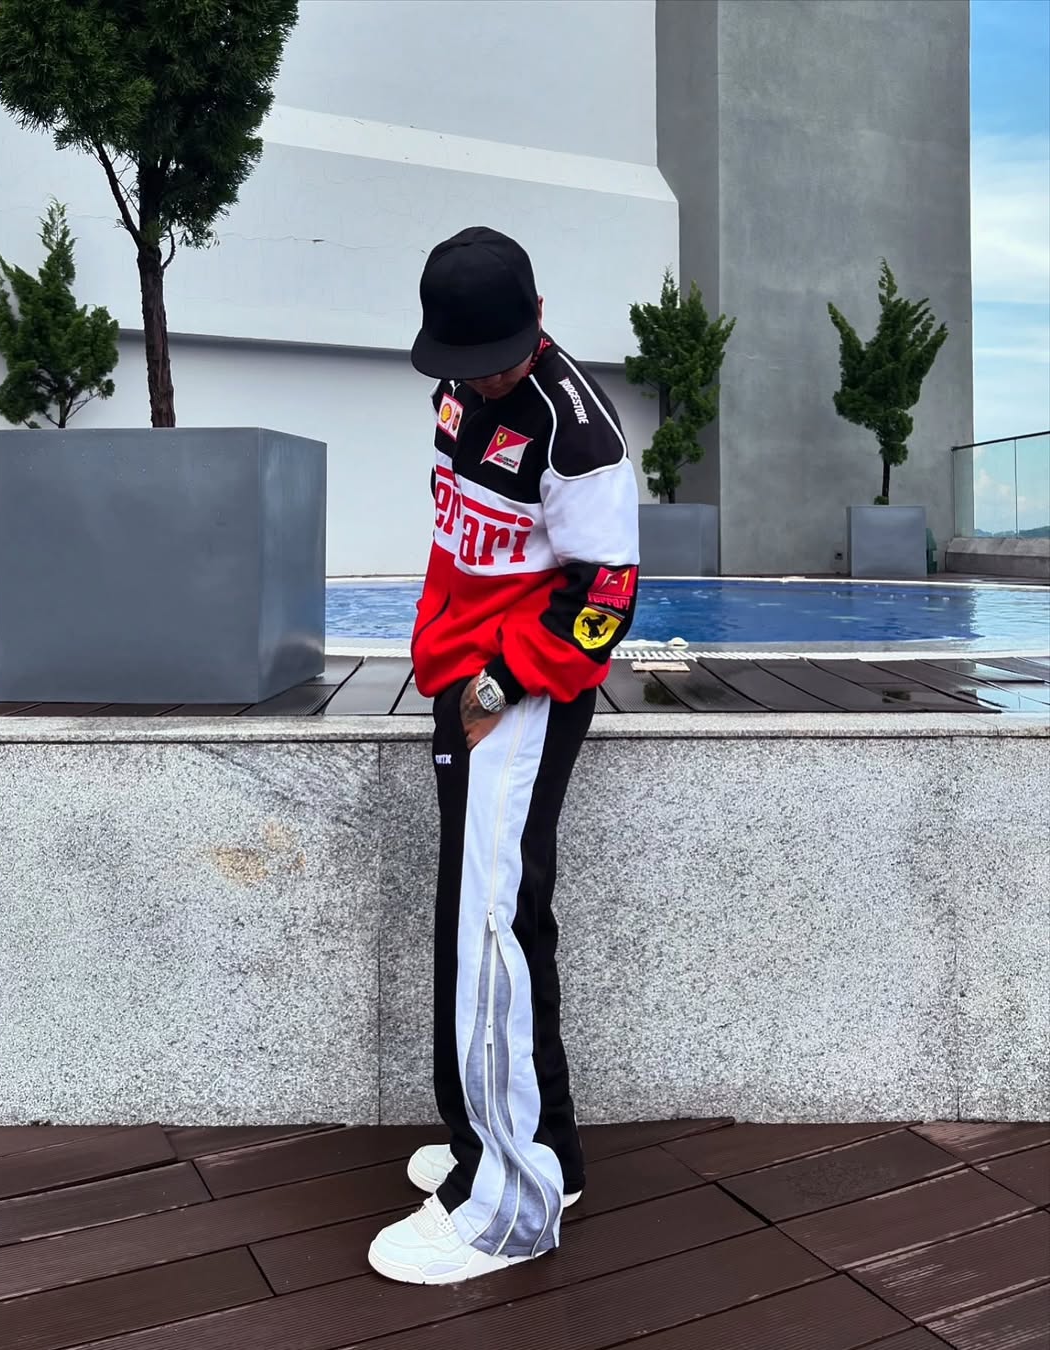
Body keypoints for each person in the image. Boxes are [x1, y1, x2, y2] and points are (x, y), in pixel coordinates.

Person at [367, 226, 640, 1285]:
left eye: (491, 361)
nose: (475, 381)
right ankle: (530, 1149)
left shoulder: (580, 437)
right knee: (483, 915)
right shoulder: (457, 392)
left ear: (532, 328)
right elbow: (457, 538)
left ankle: (509, 1208)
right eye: (458, 364)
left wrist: (495, 687)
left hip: (517, 697)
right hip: (463, 679)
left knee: (495, 932)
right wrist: (446, 660)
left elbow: (604, 602)